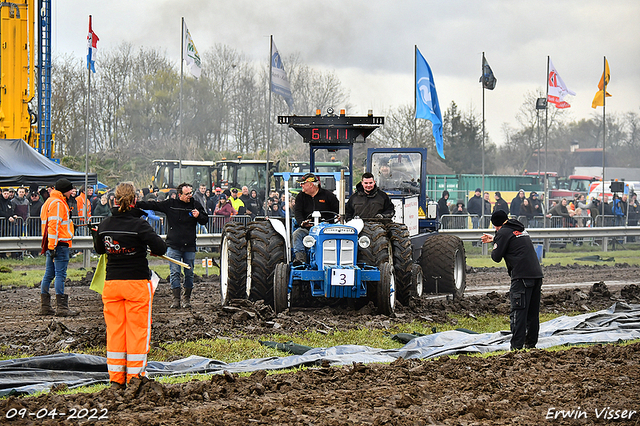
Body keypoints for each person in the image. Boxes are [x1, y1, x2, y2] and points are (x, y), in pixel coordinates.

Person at [93, 182, 167, 389]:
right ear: (135, 200)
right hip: (135, 284)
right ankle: (135, 378)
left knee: (115, 332)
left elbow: (100, 250)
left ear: (114, 201)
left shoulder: (105, 224)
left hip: (112, 285)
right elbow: (160, 247)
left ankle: (116, 379)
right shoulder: (139, 225)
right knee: (137, 331)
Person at [136, 183, 208, 309]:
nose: (190, 196)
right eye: (187, 194)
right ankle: (176, 299)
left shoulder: (195, 204)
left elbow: (205, 219)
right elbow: (154, 205)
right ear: (180, 195)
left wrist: (199, 216)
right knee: (174, 272)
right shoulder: (170, 204)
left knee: (189, 273)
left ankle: (187, 299)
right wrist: (136, 204)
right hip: (174, 245)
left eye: (191, 193)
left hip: (189, 245)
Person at [481, 210, 543, 351]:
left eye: (495, 227)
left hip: (521, 277)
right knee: (532, 313)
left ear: (496, 225)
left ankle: (516, 347)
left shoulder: (502, 232)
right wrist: (496, 239)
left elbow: (496, 257)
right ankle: (531, 345)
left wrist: (496, 242)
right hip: (536, 275)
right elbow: (510, 240)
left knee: (518, 312)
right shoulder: (519, 229)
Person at [39, 178, 78, 317]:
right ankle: (62, 308)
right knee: (60, 274)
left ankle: (45, 307)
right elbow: (54, 226)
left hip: (51, 244)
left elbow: (54, 224)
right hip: (59, 244)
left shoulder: (49, 201)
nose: (72, 192)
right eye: (70, 189)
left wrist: (50, 246)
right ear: (64, 190)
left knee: (49, 274)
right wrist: (53, 246)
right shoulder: (59, 203)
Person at [293, 173, 340, 265]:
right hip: (308, 228)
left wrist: (338, 217)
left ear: (311, 185)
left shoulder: (328, 196)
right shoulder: (300, 197)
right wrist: (302, 223)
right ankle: (301, 259)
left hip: (327, 229)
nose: (301, 185)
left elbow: (338, 210)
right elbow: (297, 212)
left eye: (303, 183)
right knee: (297, 234)